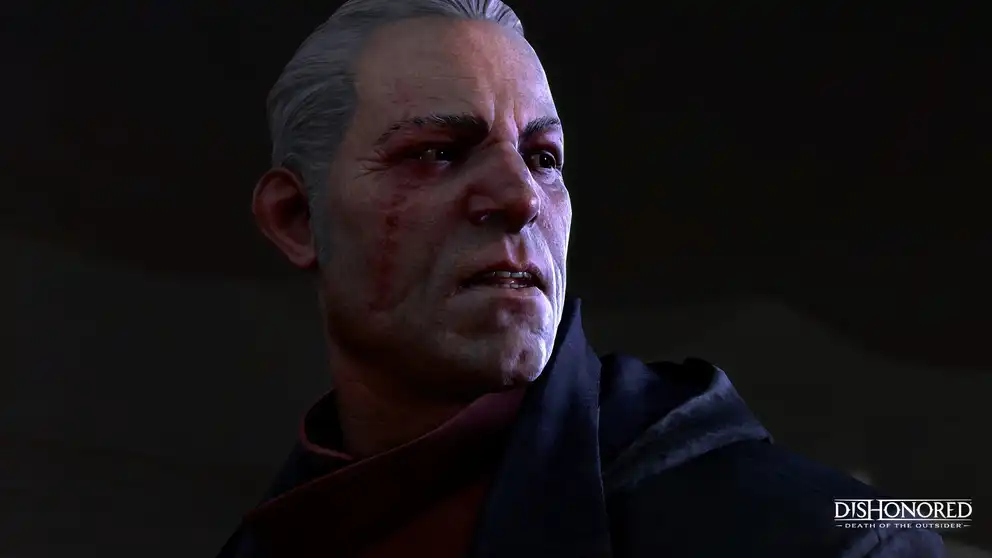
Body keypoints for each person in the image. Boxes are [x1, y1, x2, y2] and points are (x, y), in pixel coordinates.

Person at [218, 1, 944, 556]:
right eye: (437, 151)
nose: (522, 197)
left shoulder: (814, 542)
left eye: (544, 158)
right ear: (296, 218)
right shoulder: (275, 539)